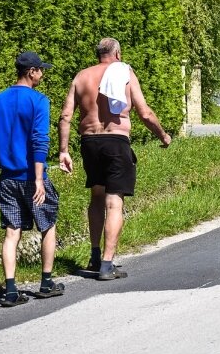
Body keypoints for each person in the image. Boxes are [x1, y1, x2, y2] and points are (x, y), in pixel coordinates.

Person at [58, 38, 172, 280]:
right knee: (114, 202)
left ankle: (95, 255)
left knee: (96, 197)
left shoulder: (82, 76)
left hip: (89, 143)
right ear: (118, 53)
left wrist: (63, 150)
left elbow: (65, 116)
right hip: (115, 141)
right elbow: (145, 112)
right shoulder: (124, 72)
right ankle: (107, 265)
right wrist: (163, 136)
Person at [0, 51, 64, 307]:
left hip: (6, 179)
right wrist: (39, 180)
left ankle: (9, 290)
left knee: (11, 233)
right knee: (48, 224)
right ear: (31, 72)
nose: (42, 74)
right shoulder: (38, 101)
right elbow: (40, 140)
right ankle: (46, 283)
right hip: (30, 177)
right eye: (40, 70)